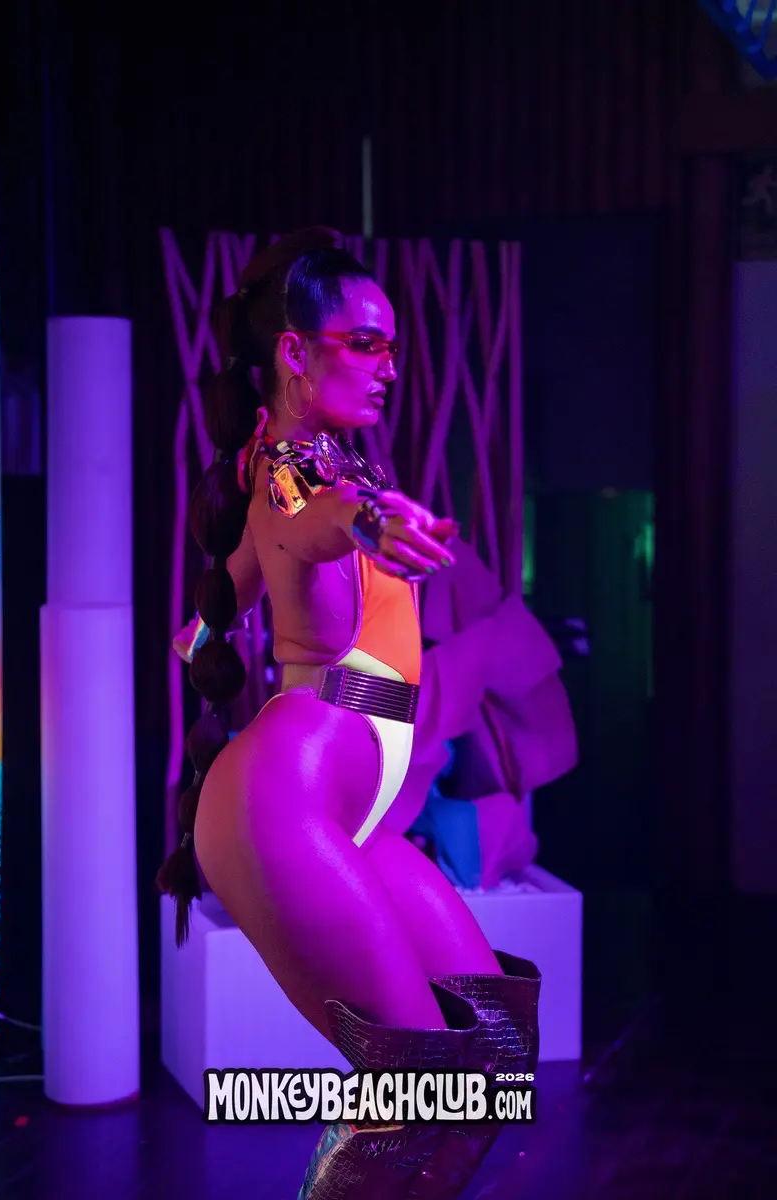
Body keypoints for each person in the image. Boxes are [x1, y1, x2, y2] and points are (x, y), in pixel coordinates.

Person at [157, 229, 541, 1199]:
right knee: (416, 1086)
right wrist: (370, 520)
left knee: (492, 1057)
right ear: (294, 350)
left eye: (393, 347)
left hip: (350, 805)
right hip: (287, 792)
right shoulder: (293, 471)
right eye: (365, 343)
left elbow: (235, 583)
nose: (390, 368)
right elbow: (312, 518)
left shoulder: (317, 465)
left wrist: (205, 635)